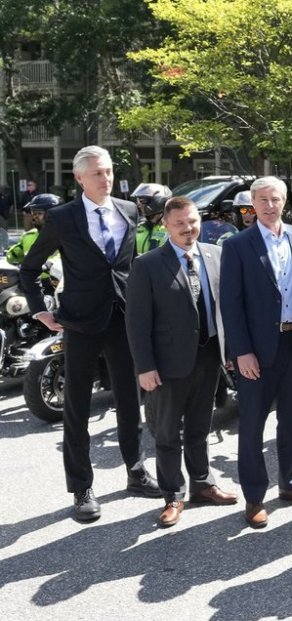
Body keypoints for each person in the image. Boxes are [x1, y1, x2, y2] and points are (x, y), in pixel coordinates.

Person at [20, 145, 160, 523]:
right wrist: (39, 310)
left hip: (123, 318)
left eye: (109, 171)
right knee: (77, 405)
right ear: (80, 177)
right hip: (80, 322)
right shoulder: (62, 217)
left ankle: (136, 471)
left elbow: (129, 266)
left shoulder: (129, 210)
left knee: (129, 400)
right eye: (98, 173)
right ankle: (82, 487)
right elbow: (29, 269)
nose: (106, 178)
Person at [125, 197, 239, 527]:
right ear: (165, 225)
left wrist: (231, 352)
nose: (188, 229)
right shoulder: (147, 265)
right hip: (167, 364)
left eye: (192, 222)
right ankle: (173, 494)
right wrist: (145, 367)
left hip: (209, 357)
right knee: (167, 433)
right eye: (180, 224)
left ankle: (203, 484)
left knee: (200, 428)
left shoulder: (216, 256)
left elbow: (227, 308)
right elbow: (137, 322)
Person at [220, 176, 292, 528]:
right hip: (256, 350)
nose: (269, 205)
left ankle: (290, 483)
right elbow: (230, 304)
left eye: (275, 199)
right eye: (262, 199)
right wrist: (241, 351)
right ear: (252, 203)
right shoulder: (237, 245)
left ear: (284, 201)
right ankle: (254, 497)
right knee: (252, 425)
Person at [6, 193, 62, 266]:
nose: (35, 217)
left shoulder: (65, 237)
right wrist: (11, 253)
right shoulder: (28, 236)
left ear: (52, 215)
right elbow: (11, 257)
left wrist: (51, 263)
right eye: (33, 213)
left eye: (39, 213)